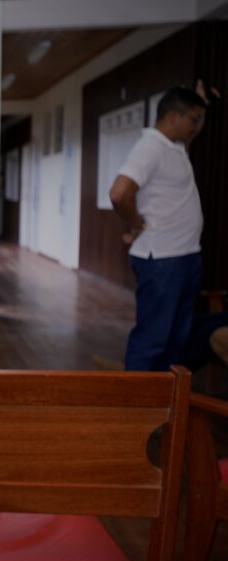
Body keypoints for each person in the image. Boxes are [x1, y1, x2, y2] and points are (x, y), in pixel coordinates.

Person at [110, 85, 208, 372]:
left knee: (176, 339)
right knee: (152, 339)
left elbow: (192, 130)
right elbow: (119, 193)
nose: (197, 126)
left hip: (185, 255)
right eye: (194, 119)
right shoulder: (150, 147)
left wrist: (201, 103)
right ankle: (134, 398)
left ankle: (165, 397)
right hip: (163, 259)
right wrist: (135, 223)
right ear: (174, 117)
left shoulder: (174, 147)